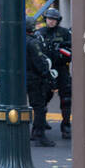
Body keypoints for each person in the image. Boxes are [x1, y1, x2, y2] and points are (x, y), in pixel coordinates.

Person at [37, 8, 71, 139]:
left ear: (58, 21)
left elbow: (71, 51)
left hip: (62, 69)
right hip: (45, 70)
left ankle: (66, 125)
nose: (51, 21)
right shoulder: (40, 33)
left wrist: (60, 53)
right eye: (49, 19)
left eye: (54, 19)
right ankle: (41, 123)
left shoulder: (64, 33)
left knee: (66, 98)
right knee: (43, 97)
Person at [25, 16, 56, 148]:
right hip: (34, 78)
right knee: (39, 107)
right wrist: (47, 74)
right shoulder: (32, 42)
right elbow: (40, 62)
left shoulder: (17, 40)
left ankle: (34, 133)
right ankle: (39, 135)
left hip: (22, 77)